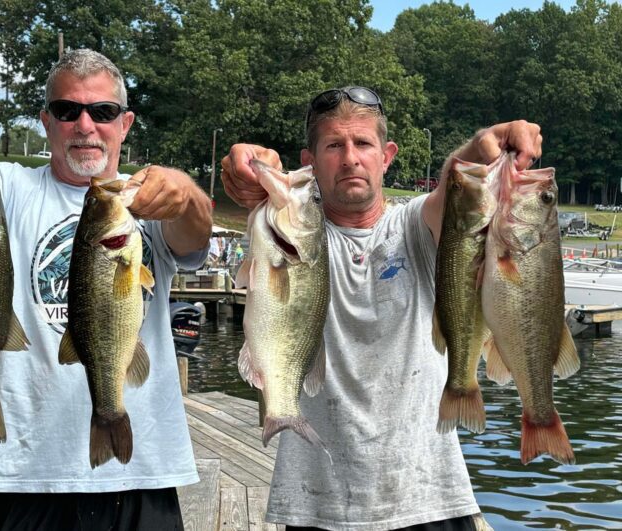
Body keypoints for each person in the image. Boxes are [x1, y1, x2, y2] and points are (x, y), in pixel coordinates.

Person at [0, 48, 212, 530]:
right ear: (46, 121)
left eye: (102, 112)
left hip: (142, 470)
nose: (85, 125)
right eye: (67, 110)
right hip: (24, 474)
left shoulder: (146, 199)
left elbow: (196, 231)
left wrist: (186, 194)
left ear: (125, 123)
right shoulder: (6, 189)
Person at [221, 86, 541, 530]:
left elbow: (458, 178)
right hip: (317, 506)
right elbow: (252, 175)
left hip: (429, 499)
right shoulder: (290, 232)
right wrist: (247, 162)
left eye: (363, 144)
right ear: (309, 161)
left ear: (386, 155)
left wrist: (488, 140)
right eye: (334, 145)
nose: (350, 157)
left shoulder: (414, 226)